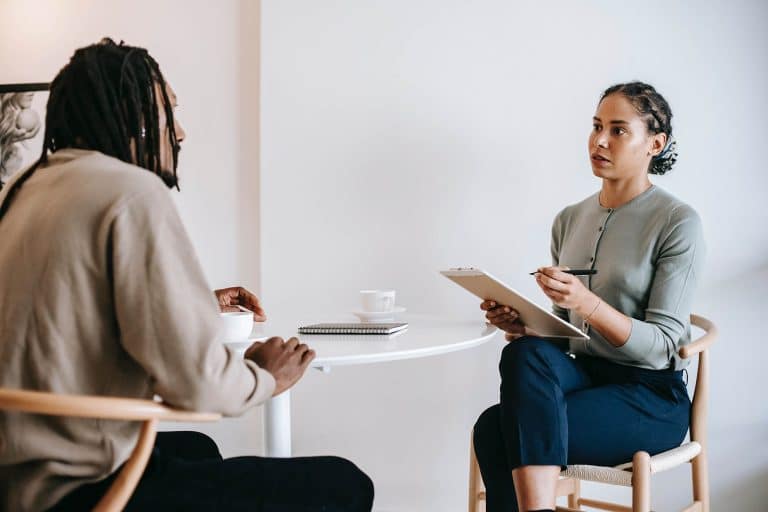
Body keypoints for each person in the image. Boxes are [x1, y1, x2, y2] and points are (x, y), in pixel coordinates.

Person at [0, 39, 374, 512]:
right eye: (167, 112)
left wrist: (189, 298)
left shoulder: (24, 188)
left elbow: (63, 311)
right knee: (344, 483)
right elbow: (199, 386)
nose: (179, 131)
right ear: (133, 118)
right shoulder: (130, 191)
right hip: (82, 487)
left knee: (197, 449)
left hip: (17, 477)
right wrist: (261, 376)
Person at [472, 82, 704, 512]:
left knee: (496, 429)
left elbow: (663, 348)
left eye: (618, 130)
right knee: (523, 355)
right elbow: (566, 339)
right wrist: (525, 325)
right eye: (597, 126)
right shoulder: (569, 219)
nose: (599, 140)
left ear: (655, 143)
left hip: (650, 397)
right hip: (588, 377)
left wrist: (589, 304)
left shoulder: (677, 222)